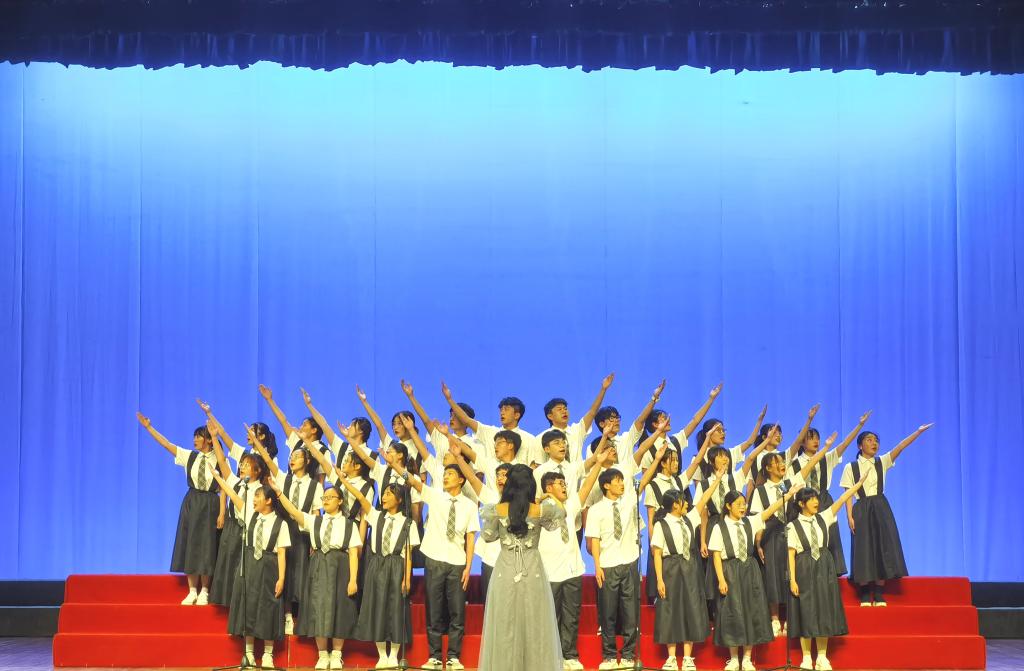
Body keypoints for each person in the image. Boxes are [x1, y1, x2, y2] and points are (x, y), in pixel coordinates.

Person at [586, 441, 673, 671]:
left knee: (630, 613)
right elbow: (595, 540)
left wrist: (656, 459)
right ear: (606, 485)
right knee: (608, 614)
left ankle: (627, 655)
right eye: (617, 481)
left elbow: (643, 482)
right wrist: (597, 566)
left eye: (622, 480)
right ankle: (608, 656)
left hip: (630, 561)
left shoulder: (629, 501)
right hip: (607, 564)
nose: (622, 484)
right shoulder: (596, 510)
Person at [538, 432, 616, 671]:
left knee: (571, 616)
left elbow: (588, 485)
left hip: (572, 569)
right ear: (548, 487)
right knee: (550, 617)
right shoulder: (538, 510)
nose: (565, 486)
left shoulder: (571, 505)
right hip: (549, 572)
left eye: (565, 483)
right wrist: (541, 499)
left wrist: (598, 464)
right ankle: (551, 656)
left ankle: (569, 655)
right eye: (559, 484)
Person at [477, 464, 564, 671]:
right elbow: (561, 514)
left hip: (505, 570)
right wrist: (546, 498)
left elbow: (488, 536)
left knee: (504, 624)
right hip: (532, 570)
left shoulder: (497, 509)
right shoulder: (539, 509)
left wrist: (501, 505)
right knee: (535, 624)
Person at [840, 423, 933, 606]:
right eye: (869, 440)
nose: (874, 443)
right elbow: (848, 494)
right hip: (861, 508)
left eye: (876, 440)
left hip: (881, 506)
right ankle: (865, 591)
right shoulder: (851, 467)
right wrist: (849, 516)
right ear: (860, 445)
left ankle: (879, 591)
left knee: (883, 545)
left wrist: (918, 431)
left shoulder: (881, 462)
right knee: (863, 547)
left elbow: (901, 446)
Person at [339, 458, 420, 670]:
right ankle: (382, 654)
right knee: (377, 608)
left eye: (388, 494)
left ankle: (394, 654)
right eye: (383, 493)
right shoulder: (376, 516)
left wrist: (407, 578)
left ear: (399, 499)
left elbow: (408, 554)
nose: (383, 497)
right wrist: (344, 481)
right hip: (377, 565)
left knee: (395, 610)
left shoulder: (408, 524)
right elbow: (360, 498)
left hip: (397, 566)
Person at [748, 436, 833, 637]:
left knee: (790, 573)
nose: (781, 464)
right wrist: (758, 543)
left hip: (791, 532)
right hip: (770, 535)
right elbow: (758, 519)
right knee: (773, 575)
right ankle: (774, 618)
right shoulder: (760, 491)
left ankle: (790, 618)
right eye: (777, 462)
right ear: (768, 468)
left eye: (782, 461)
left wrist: (825, 448)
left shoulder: (791, 482)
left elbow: (808, 466)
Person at [273, 479, 361, 671]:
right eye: (324, 497)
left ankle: (336, 655)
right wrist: (279, 493)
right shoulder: (315, 521)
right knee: (318, 608)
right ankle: (322, 655)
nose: (326, 500)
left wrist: (353, 579)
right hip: (319, 565)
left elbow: (354, 553)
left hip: (341, 567)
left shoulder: (349, 525)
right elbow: (294, 512)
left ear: (340, 501)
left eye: (330, 497)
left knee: (340, 609)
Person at [209, 464, 290, 669]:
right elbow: (232, 494)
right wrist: (217, 477)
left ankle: (269, 654)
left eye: (258, 496)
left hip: (270, 567)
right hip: (249, 565)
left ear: (269, 501)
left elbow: (282, 552)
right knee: (249, 607)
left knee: (269, 608)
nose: (253, 500)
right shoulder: (249, 514)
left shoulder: (281, 524)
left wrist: (281, 578)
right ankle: (249, 654)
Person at [787, 473, 869, 671]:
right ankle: (807, 657)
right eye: (811, 499)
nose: (816, 502)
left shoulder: (824, 517)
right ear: (801, 504)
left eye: (816, 498)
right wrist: (792, 580)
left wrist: (858, 484)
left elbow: (841, 499)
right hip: (804, 566)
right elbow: (790, 554)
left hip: (824, 566)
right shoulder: (792, 526)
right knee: (806, 611)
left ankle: (822, 657)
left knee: (823, 609)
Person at [403, 462, 480, 671]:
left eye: (450, 474)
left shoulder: (470, 506)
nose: (445, 477)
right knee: (434, 610)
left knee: (457, 611)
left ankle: (454, 656)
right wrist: (396, 466)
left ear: (461, 479)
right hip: (434, 559)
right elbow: (414, 482)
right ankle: (435, 656)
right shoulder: (436, 496)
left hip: (457, 561)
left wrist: (468, 567)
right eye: (444, 474)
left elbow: (470, 538)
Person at [136, 412, 218, 606]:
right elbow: (166, 444)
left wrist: (223, 512)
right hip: (192, 501)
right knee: (191, 543)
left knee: (208, 544)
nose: (195, 439)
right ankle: (192, 590)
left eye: (199, 436)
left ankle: (205, 590)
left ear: (208, 439)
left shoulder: (218, 458)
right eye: (194, 436)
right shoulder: (190, 456)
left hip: (210, 502)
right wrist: (149, 428)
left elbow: (223, 487)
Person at [709, 488, 796, 671]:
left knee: (750, 611)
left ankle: (747, 658)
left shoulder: (749, 521)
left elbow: (768, 511)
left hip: (749, 570)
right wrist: (721, 580)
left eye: (744, 504)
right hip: (730, 570)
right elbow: (716, 555)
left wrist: (787, 496)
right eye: (739, 504)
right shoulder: (719, 527)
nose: (743, 507)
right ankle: (734, 658)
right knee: (732, 613)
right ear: (728, 506)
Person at [250, 424, 323, 634]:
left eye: (297, 457)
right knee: (286, 572)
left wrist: (315, 540)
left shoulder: (316, 486)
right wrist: (256, 442)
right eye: (291, 456)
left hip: (303, 534)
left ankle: (301, 616)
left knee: (301, 573)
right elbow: (268, 461)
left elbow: (316, 515)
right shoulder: (284, 478)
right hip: (284, 530)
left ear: (307, 461)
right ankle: (287, 615)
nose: (292, 459)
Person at [651, 472, 723, 671]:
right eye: (683, 501)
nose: (687, 504)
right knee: (670, 610)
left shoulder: (689, 519)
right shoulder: (661, 525)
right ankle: (671, 658)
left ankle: (688, 657)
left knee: (690, 608)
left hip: (690, 568)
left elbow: (703, 500)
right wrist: (659, 579)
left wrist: (716, 480)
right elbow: (657, 554)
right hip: (670, 569)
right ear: (675, 504)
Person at [789, 411, 871, 576]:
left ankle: (833, 572)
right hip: (803, 503)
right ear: (802, 442)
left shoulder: (826, 458)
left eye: (817, 438)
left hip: (824, 499)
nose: (816, 441)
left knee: (830, 536)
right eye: (811, 438)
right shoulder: (793, 463)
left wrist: (860, 425)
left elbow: (845, 444)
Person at [208, 422, 272, 607]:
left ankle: (241, 603)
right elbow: (222, 462)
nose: (242, 467)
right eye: (242, 464)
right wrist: (214, 438)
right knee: (227, 563)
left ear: (257, 471)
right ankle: (226, 601)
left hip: (249, 532)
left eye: (247, 465)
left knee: (242, 567)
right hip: (232, 528)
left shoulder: (261, 490)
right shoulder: (236, 482)